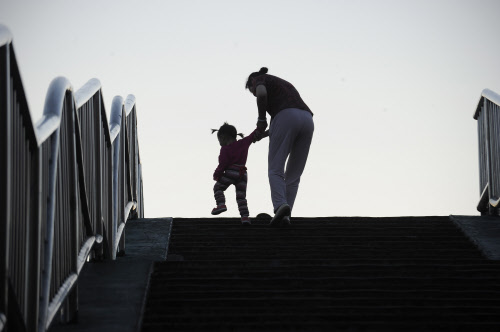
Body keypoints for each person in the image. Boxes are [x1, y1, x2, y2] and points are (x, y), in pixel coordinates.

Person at [246, 67, 314, 227]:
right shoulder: (283, 84)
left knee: (275, 169)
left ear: (251, 82)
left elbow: (262, 94)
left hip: (284, 117)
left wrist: (261, 119)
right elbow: (291, 118)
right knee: (294, 174)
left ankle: (279, 206)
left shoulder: (259, 79)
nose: (254, 93)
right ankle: (286, 216)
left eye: (251, 91)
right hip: (307, 120)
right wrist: (263, 134)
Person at [211, 122, 259, 225]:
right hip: (243, 173)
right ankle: (245, 217)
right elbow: (252, 136)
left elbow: (222, 164)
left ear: (223, 137)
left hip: (231, 171)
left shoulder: (225, 149)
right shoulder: (243, 142)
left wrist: (217, 175)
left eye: (219, 140)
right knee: (241, 196)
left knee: (218, 188)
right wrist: (260, 127)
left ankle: (221, 205)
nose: (219, 142)